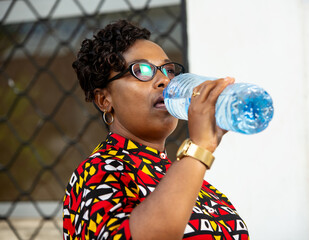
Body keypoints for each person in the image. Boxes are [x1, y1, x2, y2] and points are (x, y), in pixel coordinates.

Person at [63, 19, 249, 240]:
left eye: (168, 70)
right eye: (141, 70)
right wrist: (199, 147)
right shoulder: (97, 173)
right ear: (104, 100)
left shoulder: (194, 181)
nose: (164, 80)